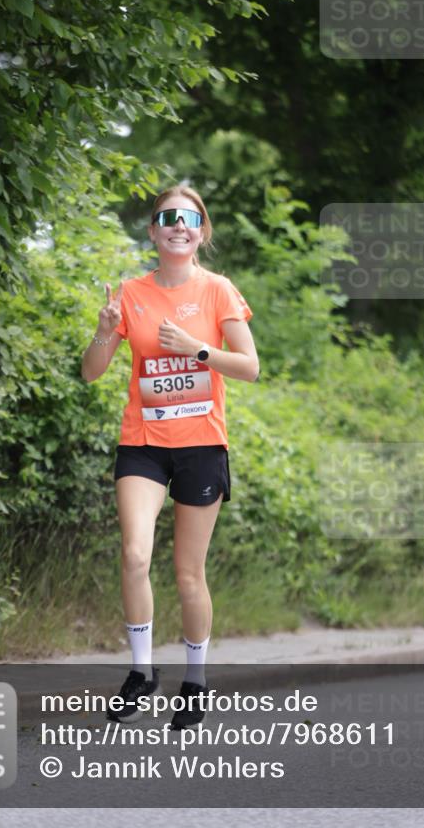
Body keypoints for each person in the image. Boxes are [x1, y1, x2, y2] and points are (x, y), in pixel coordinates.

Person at [81, 185, 259, 729]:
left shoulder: (218, 291)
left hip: (202, 445)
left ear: (201, 231)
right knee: (135, 555)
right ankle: (141, 672)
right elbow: (91, 371)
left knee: (188, 574)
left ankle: (196, 681)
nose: (178, 225)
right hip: (144, 444)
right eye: (167, 218)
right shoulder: (131, 294)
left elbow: (249, 366)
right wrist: (104, 332)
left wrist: (196, 349)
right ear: (154, 231)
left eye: (189, 218)